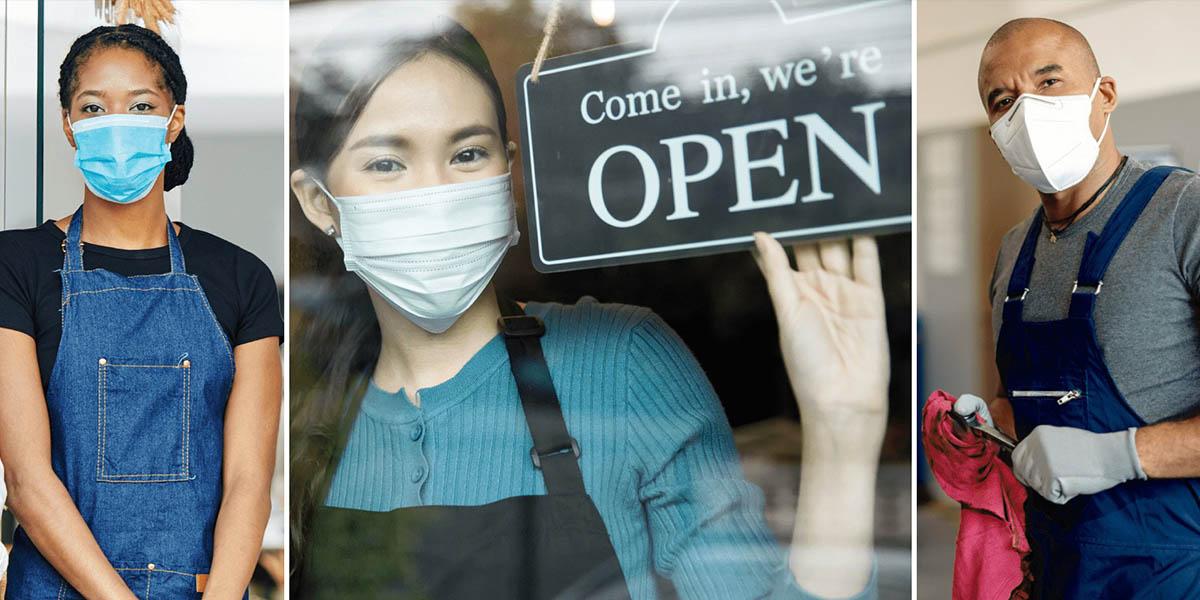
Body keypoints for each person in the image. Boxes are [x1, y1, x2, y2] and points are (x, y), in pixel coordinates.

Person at [288, 20, 890, 600]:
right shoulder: (303, 419)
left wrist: (843, 432)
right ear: (320, 204)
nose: (437, 194)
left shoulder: (623, 361)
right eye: (387, 163)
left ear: (509, 169)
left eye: (468, 154)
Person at [0, 25, 283, 598]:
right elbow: (28, 483)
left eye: (141, 105)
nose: (117, 122)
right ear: (68, 124)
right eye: (93, 106)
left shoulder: (240, 277)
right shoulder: (15, 264)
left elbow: (249, 484)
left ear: (174, 120)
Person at [952, 17, 1200, 598]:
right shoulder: (1013, 251)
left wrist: (1119, 455)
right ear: (993, 128)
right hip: (1054, 571)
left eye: (1049, 82)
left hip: (1173, 571)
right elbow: (1014, 398)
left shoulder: (1184, 213)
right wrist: (987, 429)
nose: (1027, 111)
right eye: (1003, 99)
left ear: (1104, 95)